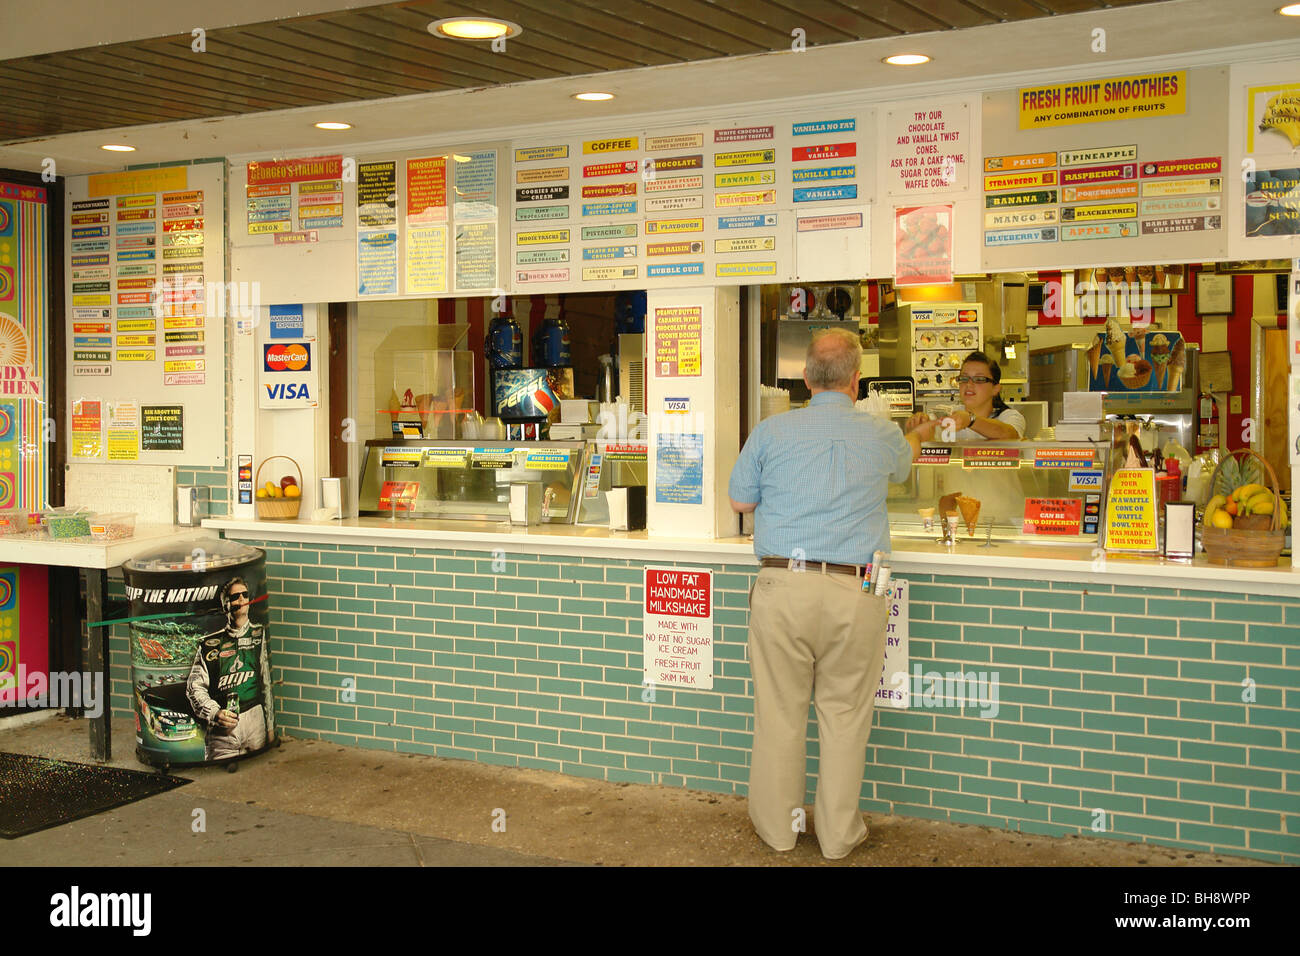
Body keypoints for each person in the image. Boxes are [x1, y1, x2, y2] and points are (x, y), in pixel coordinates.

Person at [728, 328, 920, 859]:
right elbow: (904, 468)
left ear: (807, 378)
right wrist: (917, 435)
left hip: (782, 584)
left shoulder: (770, 431)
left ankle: (779, 831)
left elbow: (740, 502)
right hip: (856, 589)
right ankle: (837, 837)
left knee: (780, 715)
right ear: (856, 381)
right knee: (844, 716)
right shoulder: (881, 433)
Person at [185, 576, 274, 761]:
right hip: (222, 731)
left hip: (255, 721)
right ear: (225, 604)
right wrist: (214, 712)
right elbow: (194, 687)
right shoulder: (209, 645)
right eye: (235, 597)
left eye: (245, 595)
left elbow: (267, 685)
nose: (241, 599)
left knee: (258, 767)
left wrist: (271, 728)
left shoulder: (260, 635)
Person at [905, 350, 1025, 443]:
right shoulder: (947, 414)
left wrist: (971, 420)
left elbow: (1009, 434)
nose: (969, 384)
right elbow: (930, 444)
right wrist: (917, 429)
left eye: (979, 379)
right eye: (964, 378)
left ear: (995, 389)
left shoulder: (1009, 416)